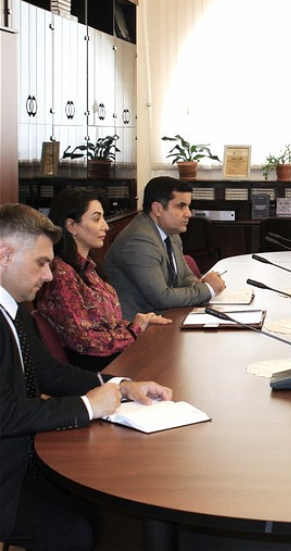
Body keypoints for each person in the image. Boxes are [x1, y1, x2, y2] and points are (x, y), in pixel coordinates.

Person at [0, 203, 172, 549]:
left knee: (105, 509)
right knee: (73, 532)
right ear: (5, 255)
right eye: (41, 263)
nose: (49, 276)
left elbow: (47, 373)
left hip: (25, 461)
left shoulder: (14, 308)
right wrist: (87, 406)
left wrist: (120, 386)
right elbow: (4, 413)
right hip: (7, 478)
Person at [36, 189, 173, 372]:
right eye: (96, 219)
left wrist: (139, 323)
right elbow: (86, 342)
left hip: (112, 357)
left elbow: (106, 324)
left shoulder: (89, 267)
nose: (106, 226)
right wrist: (134, 331)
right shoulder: (61, 275)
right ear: (71, 226)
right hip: (96, 369)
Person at [103, 176, 226, 320]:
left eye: (188, 206)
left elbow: (184, 277)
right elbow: (161, 298)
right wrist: (208, 289)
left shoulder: (171, 233)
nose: (188, 213)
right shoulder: (139, 240)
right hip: (135, 325)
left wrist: (198, 284)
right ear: (158, 209)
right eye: (181, 206)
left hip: (163, 316)